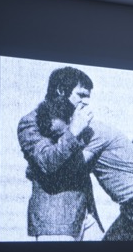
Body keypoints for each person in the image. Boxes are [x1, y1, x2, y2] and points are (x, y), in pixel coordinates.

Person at [37, 99, 133, 241]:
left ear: (73, 119)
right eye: (57, 136)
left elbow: (71, 170)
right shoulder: (86, 136)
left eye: (64, 133)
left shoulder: (92, 132)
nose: (65, 138)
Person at [17, 67, 101, 241]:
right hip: (55, 221)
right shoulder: (30, 122)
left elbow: (82, 163)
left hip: (86, 215)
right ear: (61, 90)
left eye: (88, 97)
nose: (86, 102)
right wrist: (73, 132)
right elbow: (47, 161)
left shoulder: (74, 121)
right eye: (81, 95)